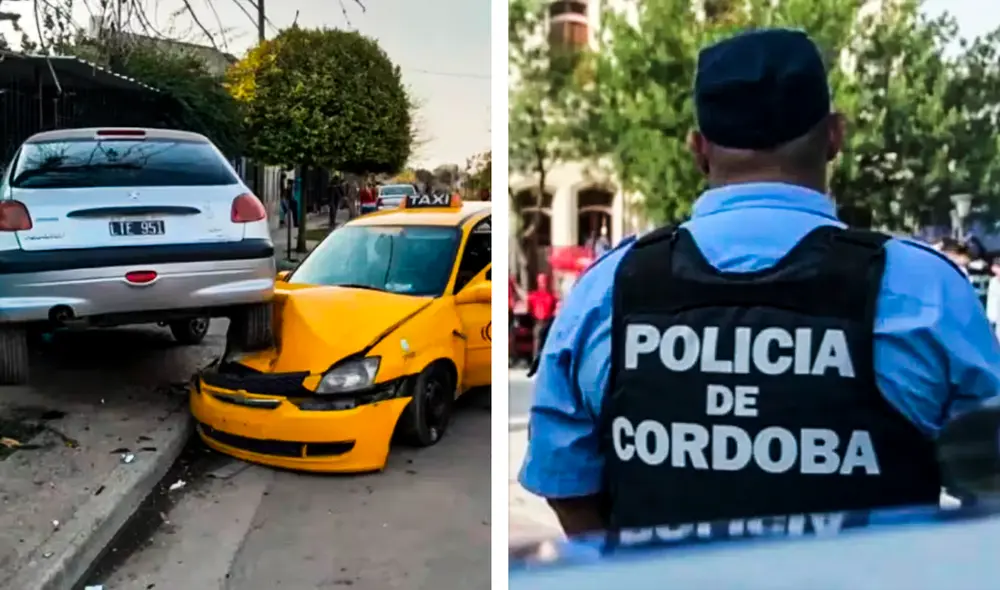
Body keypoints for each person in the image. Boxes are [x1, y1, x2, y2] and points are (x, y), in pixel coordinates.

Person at [519, 28, 1000, 536]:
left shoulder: (606, 292)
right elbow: (990, 492)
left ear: (698, 150)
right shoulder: (928, 293)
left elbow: (567, 486)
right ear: (835, 136)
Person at [526, 273, 557, 360]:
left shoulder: (551, 296)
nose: (543, 283)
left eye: (544, 281)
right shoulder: (534, 296)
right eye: (541, 281)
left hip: (547, 322)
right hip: (538, 321)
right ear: (538, 282)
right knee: (537, 342)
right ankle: (535, 360)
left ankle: (543, 360)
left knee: (547, 342)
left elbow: (553, 309)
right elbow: (530, 308)